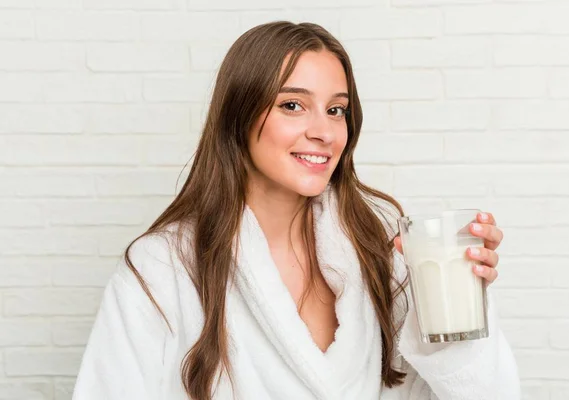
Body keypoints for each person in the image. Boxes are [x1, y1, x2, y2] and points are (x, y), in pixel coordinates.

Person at [72, 21, 520, 400]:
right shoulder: (163, 266)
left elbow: (478, 391)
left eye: (336, 110)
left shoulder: (380, 247)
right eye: (292, 105)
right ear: (239, 115)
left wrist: (460, 303)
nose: (324, 132)